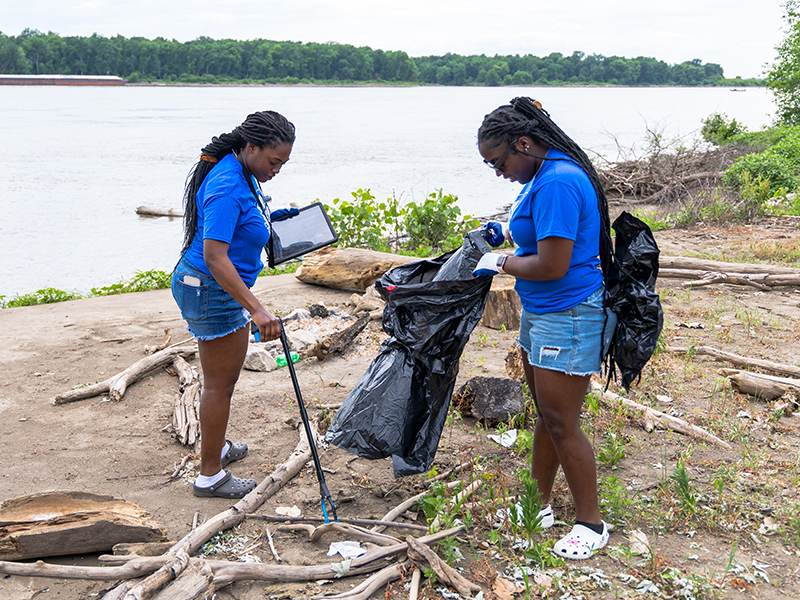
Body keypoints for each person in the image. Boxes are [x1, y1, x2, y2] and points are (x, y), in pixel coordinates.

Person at [473, 97, 617, 559]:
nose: (498, 171)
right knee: (548, 415)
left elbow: (554, 265)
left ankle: (591, 524)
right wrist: (508, 234)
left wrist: (500, 262)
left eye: (499, 161)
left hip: (568, 312)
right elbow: (547, 236)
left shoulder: (557, 181)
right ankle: (538, 505)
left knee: (561, 421)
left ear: (525, 142)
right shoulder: (545, 174)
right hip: (544, 311)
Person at [171, 110, 296, 499]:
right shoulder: (227, 184)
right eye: (274, 161)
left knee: (222, 382)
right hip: (210, 287)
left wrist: (272, 218)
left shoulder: (241, 170)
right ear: (251, 146)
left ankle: (216, 446)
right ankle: (210, 475)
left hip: (215, 286)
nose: (277, 170)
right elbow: (215, 256)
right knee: (219, 386)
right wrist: (257, 309)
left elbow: (238, 219)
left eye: (284, 163)